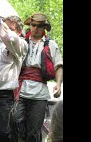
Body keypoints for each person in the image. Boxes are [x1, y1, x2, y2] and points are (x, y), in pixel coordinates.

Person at [12, 12, 63, 142]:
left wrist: (58, 84)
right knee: (15, 121)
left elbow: (58, 65)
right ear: (30, 25)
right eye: (33, 25)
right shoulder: (22, 42)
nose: (36, 28)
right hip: (20, 89)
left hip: (40, 92)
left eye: (39, 26)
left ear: (44, 27)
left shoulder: (50, 44)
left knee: (34, 130)